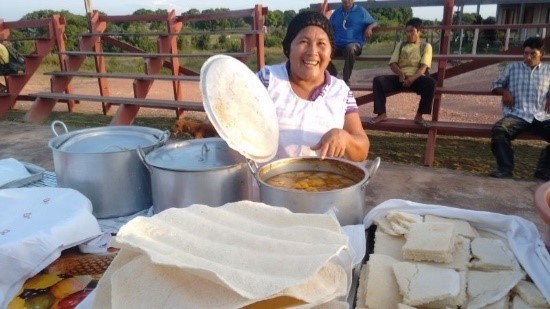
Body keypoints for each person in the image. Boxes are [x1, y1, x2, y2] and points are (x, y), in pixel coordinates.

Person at [257, 10, 370, 162]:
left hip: (321, 183)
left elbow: (362, 151)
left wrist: (345, 138)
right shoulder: (268, 79)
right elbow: (229, 119)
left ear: (330, 53)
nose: (312, 52)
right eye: (304, 42)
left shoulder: (341, 92)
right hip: (267, 183)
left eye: (321, 44)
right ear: (289, 47)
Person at [489, 36, 550, 180]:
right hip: (517, 115)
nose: (527, 57)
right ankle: (505, 168)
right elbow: (494, 85)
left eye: (532, 54)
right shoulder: (512, 68)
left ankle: (544, 171)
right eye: (525, 53)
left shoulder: (548, 71)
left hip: (541, 115)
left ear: (542, 54)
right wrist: (504, 92)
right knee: (499, 130)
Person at [368, 17, 436, 128]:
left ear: (419, 32)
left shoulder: (426, 46)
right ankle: (381, 114)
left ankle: (419, 116)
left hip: (417, 79)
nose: (409, 34)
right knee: (378, 81)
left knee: (431, 83)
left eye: (412, 31)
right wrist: (400, 74)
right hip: (401, 78)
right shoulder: (401, 45)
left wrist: (411, 79)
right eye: (407, 31)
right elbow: (392, 63)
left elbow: (423, 68)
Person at [328, 0, 378, 85]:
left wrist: (369, 27)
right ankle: (334, 75)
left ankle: (345, 80)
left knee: (350, 49)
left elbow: (375, 22)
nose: (346, 1)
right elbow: (328, 25)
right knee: (322, 52)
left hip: (354, 45)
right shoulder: (337, 12)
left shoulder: (361, 11)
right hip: (337, 45)